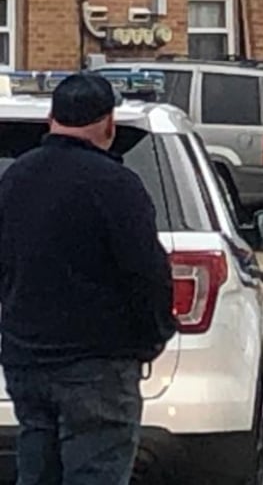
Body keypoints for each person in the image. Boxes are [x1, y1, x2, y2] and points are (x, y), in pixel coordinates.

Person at [0, 73, 176, 485]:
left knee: (37, 470)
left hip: (26, 360)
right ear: (108, 123)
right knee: (96, 471)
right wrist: (153, 335)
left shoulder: (13, 180)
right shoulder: (116, 185)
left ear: (51, 117)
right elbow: (146, 274)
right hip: (99, 362)